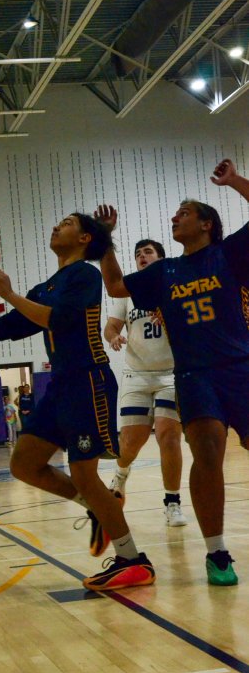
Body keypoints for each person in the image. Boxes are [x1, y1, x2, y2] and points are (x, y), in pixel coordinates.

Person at [0, 211, 155, 591]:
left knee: (84, 472)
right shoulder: (48, 285)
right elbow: (8, 330)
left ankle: (134, 560)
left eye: (67, 223)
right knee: (24, 463)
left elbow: (61, 321)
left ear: (85, 239)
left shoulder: (84, 275)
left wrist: (8, 295)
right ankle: (99, 507)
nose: (56, 225)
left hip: (88, 379)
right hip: (61, 385)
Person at [98, 157, 249, 586]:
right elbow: (114, 286)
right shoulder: (165, 271)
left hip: (239, 366)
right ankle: (217, 553)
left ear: (206, 224)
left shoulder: (228, 253)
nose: (174, 218)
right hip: (194, 374)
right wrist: (106, 240)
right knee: (207, 455)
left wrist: (235, 180)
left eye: (183, 212)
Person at [104, 238, 186, 527]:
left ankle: (172, 502)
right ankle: (121, 473)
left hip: (171, 373)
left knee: (168, 435)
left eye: (148, 252)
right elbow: (110, 326)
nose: (141, 256)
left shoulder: (176, 287)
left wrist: (174, 320)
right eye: (138, 253)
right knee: (131, 441)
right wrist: (114, 337)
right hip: (136, 374)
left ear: (160, 258)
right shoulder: (128, 292)